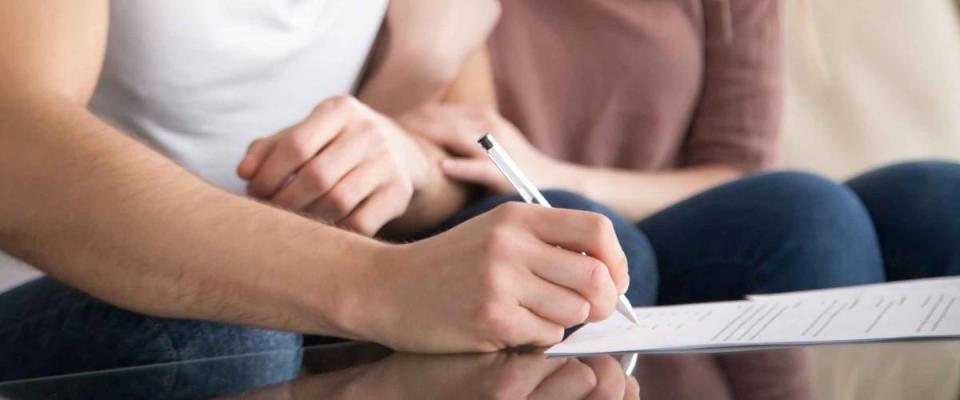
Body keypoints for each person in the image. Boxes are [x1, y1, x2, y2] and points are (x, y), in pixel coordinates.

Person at [0, 0, 641, 384]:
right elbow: (16, 149)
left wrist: (404, 154)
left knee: (581, 252)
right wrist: (381, 283)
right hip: (54, 287)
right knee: (228, 334)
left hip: (318, 278)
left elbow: (464, 160)